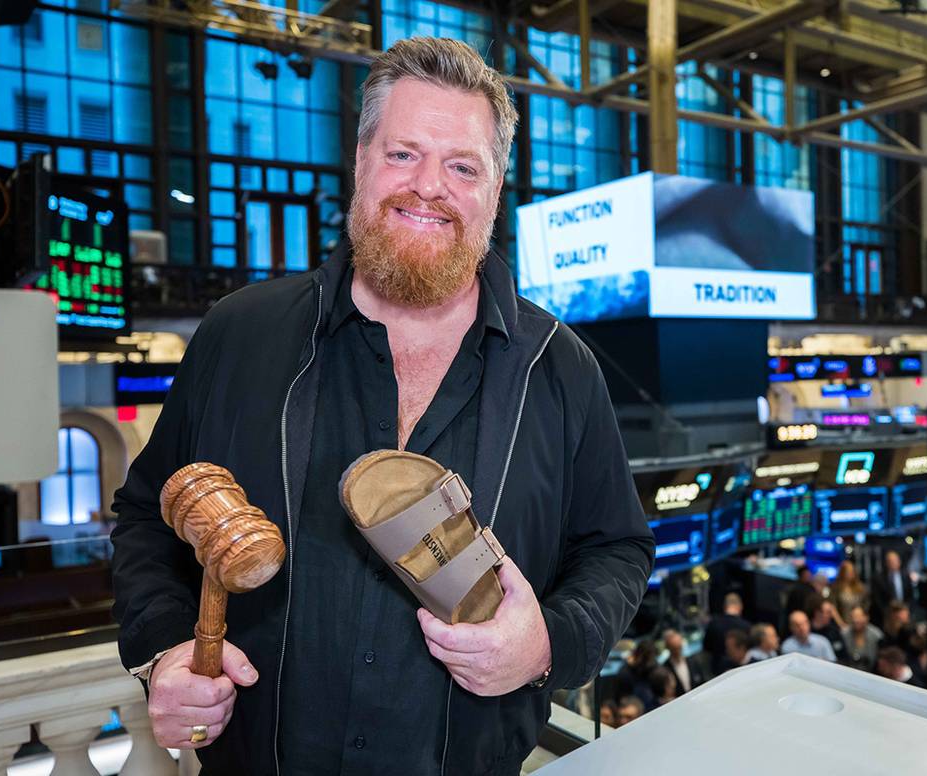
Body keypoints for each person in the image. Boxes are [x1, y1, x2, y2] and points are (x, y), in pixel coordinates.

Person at [109, 37, 655, 776]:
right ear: (361, 163)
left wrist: (548, 644)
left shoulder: (559, 368)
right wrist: (168, 646)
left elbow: (617, 549)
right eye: (403, 155)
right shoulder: (242, 334)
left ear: (495, 193)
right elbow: (148, 515)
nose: (429, 186)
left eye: (462, 166)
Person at [703, 592, 752, 658]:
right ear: (740, 606)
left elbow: (706, 648)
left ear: (724, 607)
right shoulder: (746, 625)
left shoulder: (713, 624)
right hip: (742, 667)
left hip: (718, 666)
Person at [615, 639, 660, 706]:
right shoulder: (625, 674)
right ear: (639, 656)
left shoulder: (653, 668)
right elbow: (622, 700)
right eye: (647, 659)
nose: (650, 663)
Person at [872, 550, 914, 623]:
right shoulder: (878, 578)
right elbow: (877, 599)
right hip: (886, 616)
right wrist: (889, 613)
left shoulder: (906, 576)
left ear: (899, 561)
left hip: (904, 614)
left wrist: (906, 610)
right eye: (890, 561)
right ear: (886, 563)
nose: (893, 563)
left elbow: (910, 596)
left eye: (895, 560)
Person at [662, 628, 705, 694]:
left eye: (679, 647)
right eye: (674, 648)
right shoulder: (665, 669)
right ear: (667, 647)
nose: (678, 651)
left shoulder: (693, 661)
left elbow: (702, 682)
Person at [841, 605, 884, 671]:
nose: (855, 620)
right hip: (848, 671)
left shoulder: (876, 635)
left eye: (859, 617)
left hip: (872, 673)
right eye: (853, 617)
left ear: (867, 617)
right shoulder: (844, 634)